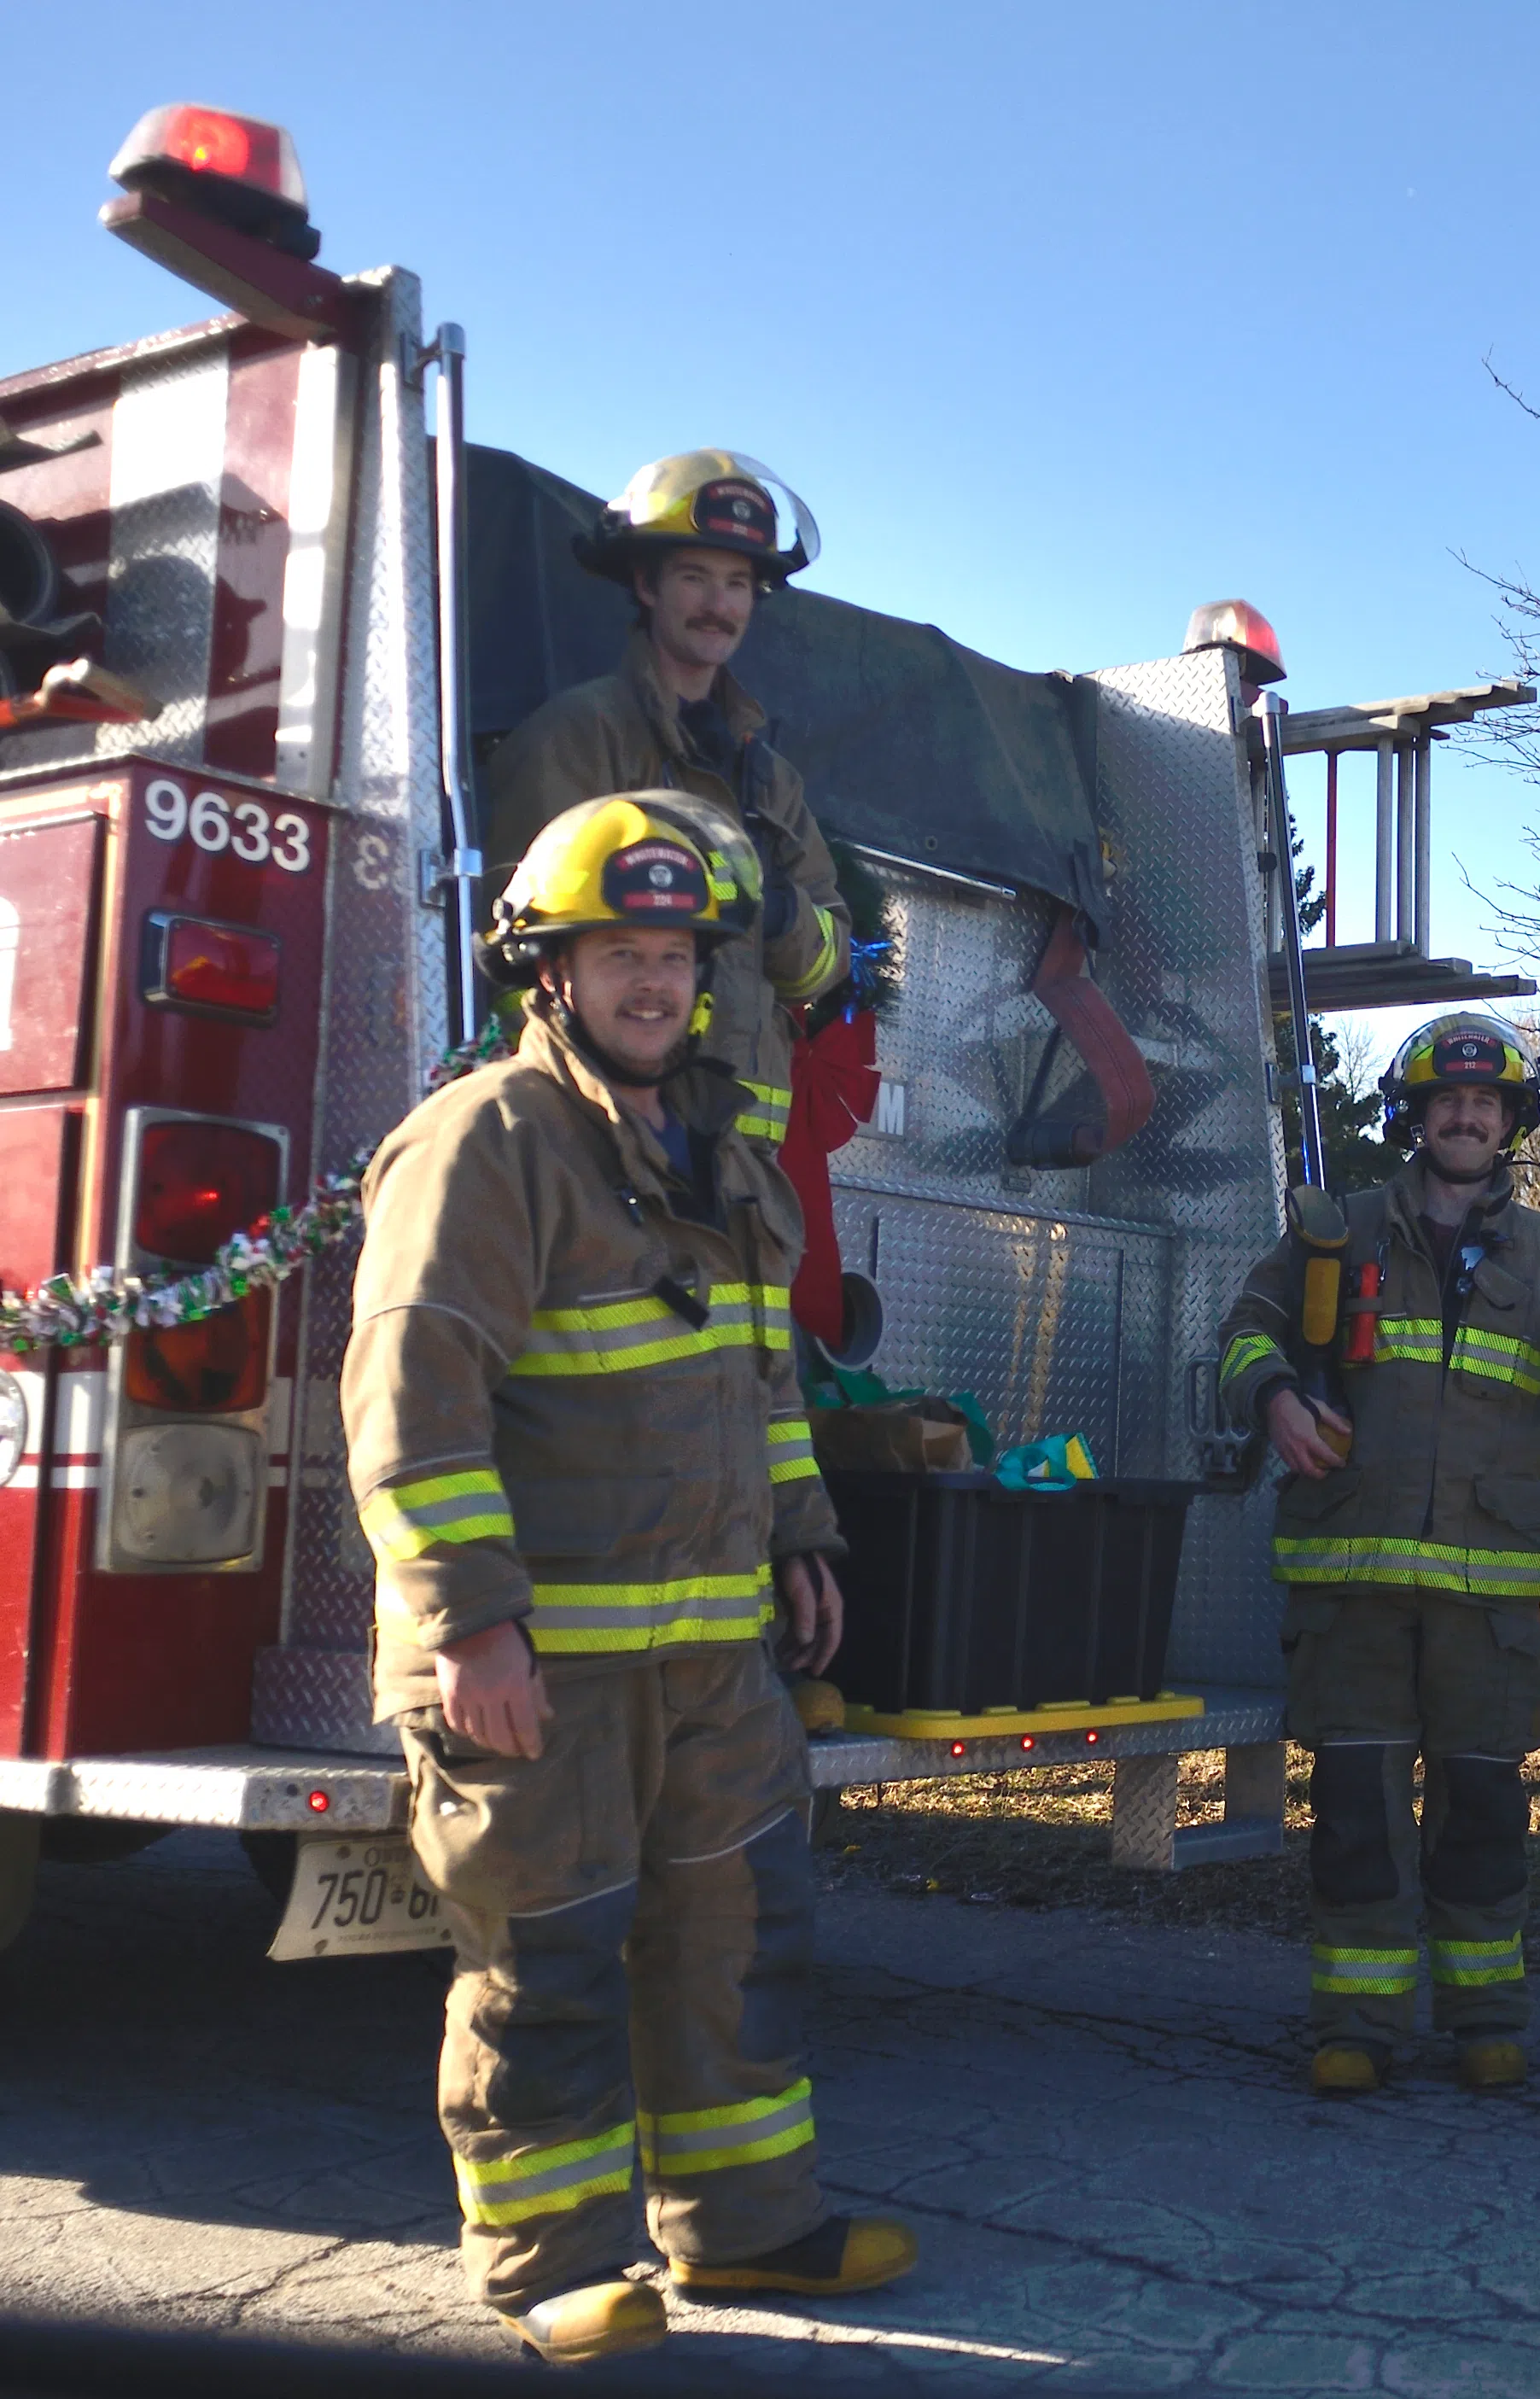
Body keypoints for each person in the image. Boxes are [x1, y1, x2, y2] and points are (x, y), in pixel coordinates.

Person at [341, 798, 914, 2366]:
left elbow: (763, 1382)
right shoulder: (484, 1144)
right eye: (620, 954)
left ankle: (747, 2232)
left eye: (673, 954)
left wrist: (802, 1540)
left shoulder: (726, 1159)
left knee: (740, 1938)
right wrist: (473, 1627)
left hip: (710, 1657)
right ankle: (550, 2271)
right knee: (549, 1962)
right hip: (539, 1669)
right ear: (551, 970)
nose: (652, 983)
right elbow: (414, 1399)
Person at [1216, 1013, 1540, 2095]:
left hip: (1485, 1605)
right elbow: (1243, 1330)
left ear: (1512, 1120)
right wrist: (1276, 1396)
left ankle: (1484, 2015)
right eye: (1447, 1101)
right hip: (1356, 1595)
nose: (1467, 1115)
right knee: (1357, 1818)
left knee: (1482, 1813)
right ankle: (1356, 2024)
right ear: (1414, 1119)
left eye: (1485, 1102)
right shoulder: (1333, 1234)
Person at [485, 450, 853, 1153]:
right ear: (647, 585)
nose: (719, 606)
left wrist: (776, 909)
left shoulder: (771, 779)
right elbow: (513, 953)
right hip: (605, 1146)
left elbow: (827, 959)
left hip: (744, 1179)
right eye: (695, 578)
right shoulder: (578, 739)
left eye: (738, 584)